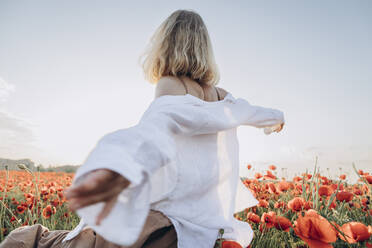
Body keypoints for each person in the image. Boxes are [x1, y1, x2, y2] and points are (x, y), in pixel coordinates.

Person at [0, 9, 284, 248]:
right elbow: (248, 110)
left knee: (44, 242)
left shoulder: (171, 85)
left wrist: (116, 173)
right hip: (200, 228)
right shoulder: (222, 96)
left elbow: (154, 135)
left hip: (159, 222)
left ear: (167, 45)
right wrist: (275, 119)